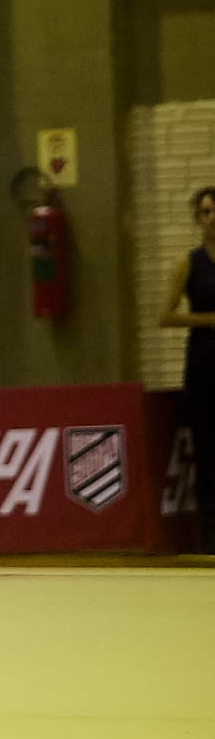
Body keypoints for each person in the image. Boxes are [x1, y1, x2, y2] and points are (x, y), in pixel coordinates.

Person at [158, 185, 215, 551]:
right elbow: (165, 315)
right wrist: (209, 320)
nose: (212, 218)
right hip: (205, 367)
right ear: (197, 219)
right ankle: (210, 536)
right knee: (208, 451)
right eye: (206, 212)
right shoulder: (189, 263)